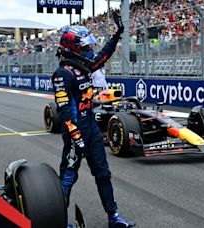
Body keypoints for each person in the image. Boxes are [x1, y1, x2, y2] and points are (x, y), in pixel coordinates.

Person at [51, 13, 135, 228]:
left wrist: (117, 34)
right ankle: (59, 220)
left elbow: (104, 55)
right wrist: (76, 137)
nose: (90, 51)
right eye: (85, 47)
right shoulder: (62, 74)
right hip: (74, 134)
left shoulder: (86, 67)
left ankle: (113, 217)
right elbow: (64, 111)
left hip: (91, 130)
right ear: (73, 49)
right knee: (68, 177)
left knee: (103, 174)